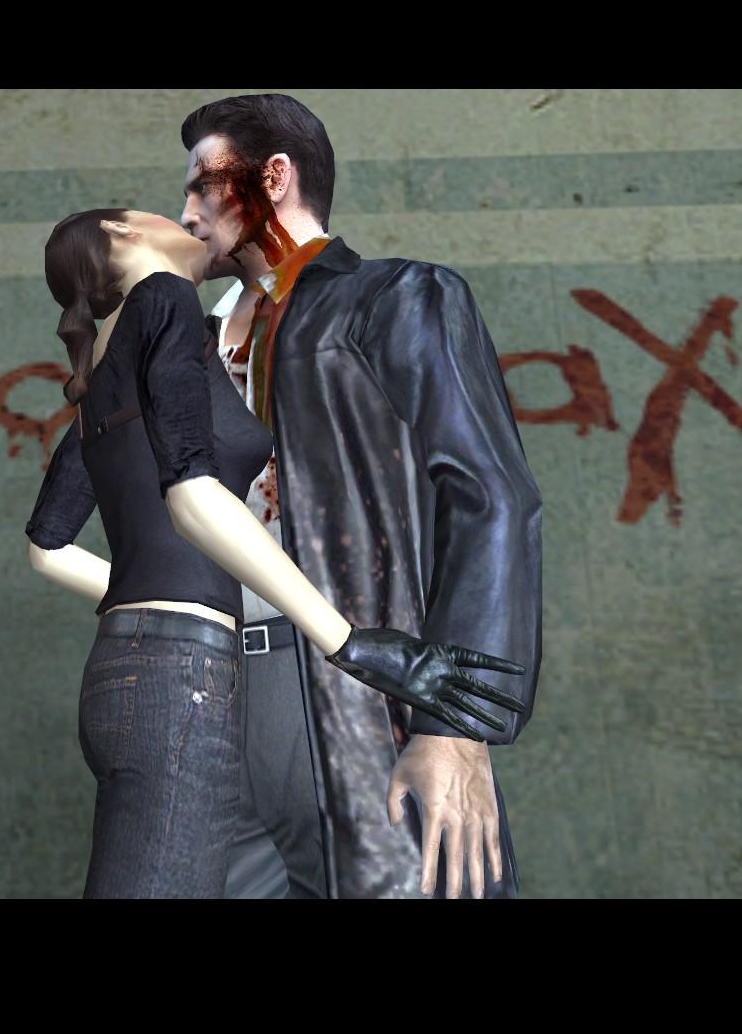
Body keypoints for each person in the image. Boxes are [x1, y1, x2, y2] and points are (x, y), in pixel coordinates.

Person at [23, 207, 529, 899]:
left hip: (126, 669)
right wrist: (350, 642)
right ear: (122, 235)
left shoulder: (108, 358)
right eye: (163, 212)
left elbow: (47, 548)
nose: (186, 218)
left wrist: (160, 595)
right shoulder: (165, 297)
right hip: (183, 678)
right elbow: (192, 494)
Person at [178, 94, 546, 899]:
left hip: (364, 686)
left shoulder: (395, 299)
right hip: (205, 691)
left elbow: (490, 497)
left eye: (203, 186)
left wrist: (457, 724)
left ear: (272, 178)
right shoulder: (191, 341)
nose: (188, 214)